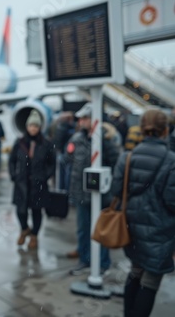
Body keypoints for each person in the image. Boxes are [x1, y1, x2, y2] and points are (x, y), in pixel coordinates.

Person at [110, 109, 175, 317]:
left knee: (135, 272)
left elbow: (116, 191)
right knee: (150, 281)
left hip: (132, 227)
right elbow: (172, 201)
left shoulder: (127, 157)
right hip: (160, 231)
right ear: (165, 130)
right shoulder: (171, 160)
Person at [63, 102, 119, 275]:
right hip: (81, 193)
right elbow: (67, 159)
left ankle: (103, 263)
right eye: (80, 118)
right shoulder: (76, 138)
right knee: (83, 229)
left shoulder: (105, 139)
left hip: (100, 195)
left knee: (100, 230)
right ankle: (85, 260)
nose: (81, 121)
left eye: (85, 118)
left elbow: (116, 162)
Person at [9, 110, 55, 249]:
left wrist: (45, 176)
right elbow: (12, 160)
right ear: (27, 127)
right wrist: (14, 175)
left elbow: (52, 163)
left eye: (35, 126)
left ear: (39, 128)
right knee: (20, 211)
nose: (33, 129)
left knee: (36, 211)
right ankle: (24, 229)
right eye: (30, 126)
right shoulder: (20, 142)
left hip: (38, 183)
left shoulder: (46, 144)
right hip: (21, 182)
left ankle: (34, 235)